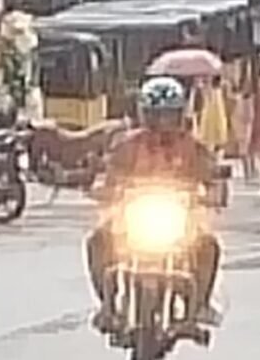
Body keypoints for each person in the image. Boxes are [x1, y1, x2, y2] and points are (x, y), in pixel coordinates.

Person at [85, 76, 222, 335]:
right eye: (156, 115)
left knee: (208, 245)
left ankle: (200, 305)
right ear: (144, 115)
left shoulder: (193, 147)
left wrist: (214, 193)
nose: (163, 122)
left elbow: (213, 175)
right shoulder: (127, 145)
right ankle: (107, 306)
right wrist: (103, 189)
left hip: (180, 218)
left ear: (180, 115)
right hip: (133, 217)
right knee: (97, 241)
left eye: (169, 115)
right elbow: (109, 174)